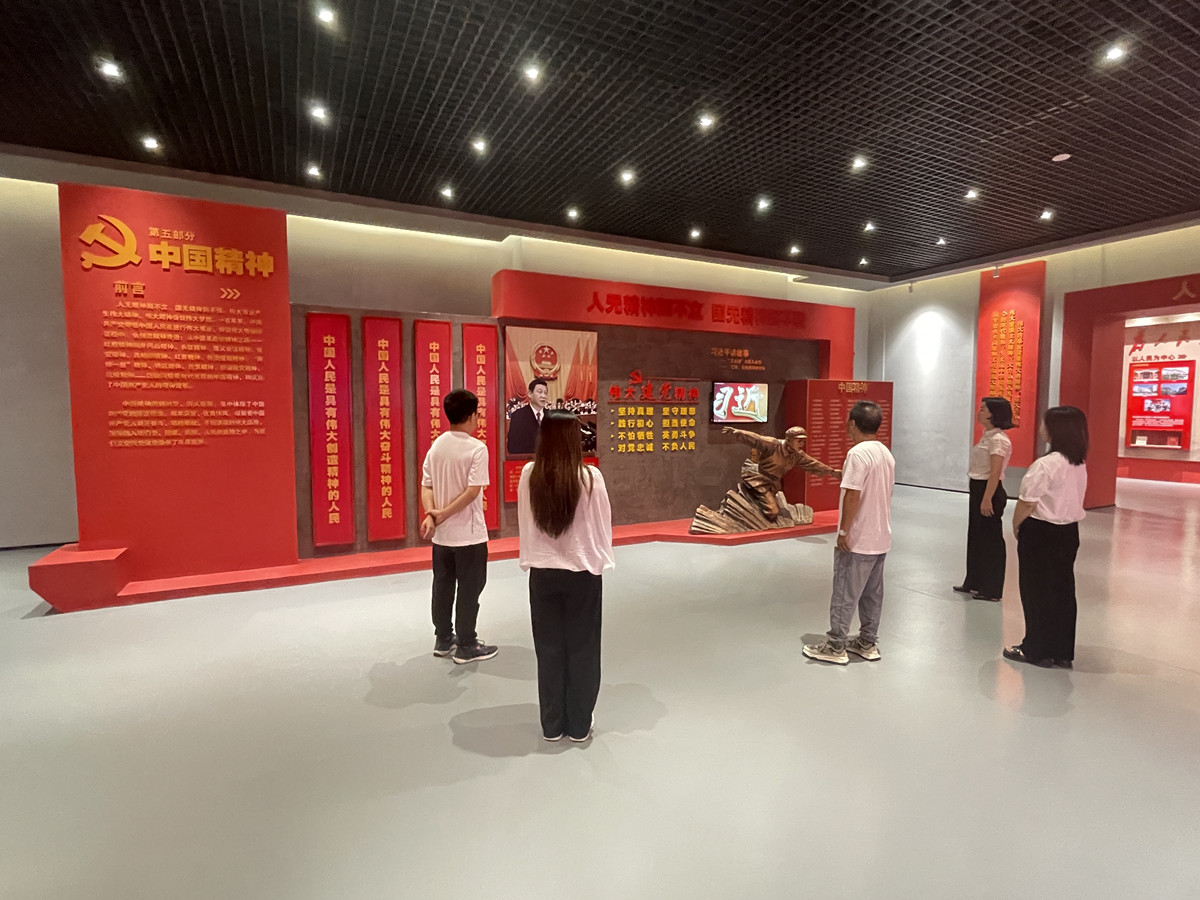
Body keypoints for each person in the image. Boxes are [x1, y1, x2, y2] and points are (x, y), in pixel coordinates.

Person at [517, 410, 614, 743]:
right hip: (582, 574)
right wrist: (600, 562)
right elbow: (602, 527)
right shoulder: (590, 477)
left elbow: (525, 522)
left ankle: (552, 724)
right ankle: (579, 724)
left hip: (542, 575)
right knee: (583, 648)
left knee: (549, 650)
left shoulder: (529, 474)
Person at [803, 400, 895, 665]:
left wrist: (844, 531)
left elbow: (853, 494)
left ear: (852, 423)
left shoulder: (857, 454)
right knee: (872, 594)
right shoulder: (885, 454)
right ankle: (867, 642)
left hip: (859, 537)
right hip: (880, 537)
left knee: (845, 592)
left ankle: (836, 645)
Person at [1003, 406, 1088, 669]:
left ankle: (1036, 649)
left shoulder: (1045, 464)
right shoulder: (1078, 463)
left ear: (1054, 430)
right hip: (1068, 532)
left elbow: (1027, 501)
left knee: (1036, 591)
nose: (1041, 427)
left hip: (1041, 531)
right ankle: (1061, 650)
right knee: (1062, 590)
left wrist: (1017, 525)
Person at [420, 389, 497, 664]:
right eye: (477, 414)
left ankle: (443, 639)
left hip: (442, 538)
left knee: (442, 587)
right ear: (471, 415)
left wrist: (432, 516)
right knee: (469, 589)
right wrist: (440, 514)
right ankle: (466, 644)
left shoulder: (437, 446)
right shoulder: (477, 448)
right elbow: (473, 492)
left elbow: (426, 485)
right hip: (469, 536)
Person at [953, 397, 1015, 602]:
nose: (979, 412)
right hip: (978, 487)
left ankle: (991, 588)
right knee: (976, 536)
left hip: (989, 490)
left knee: (990, 540)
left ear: (992, 415)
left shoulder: (998, 440)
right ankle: (974, 581)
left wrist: (987, 498)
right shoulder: (987, 436)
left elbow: (995, 472)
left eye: (983, 409)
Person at [721, 425, 841, 521]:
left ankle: (755, 499)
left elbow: (813, 464)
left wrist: (832, 472)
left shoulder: (797, 455)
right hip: (759, 479)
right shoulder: (774, 444)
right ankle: (745, 503)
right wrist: (738, 433)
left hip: (773, 483)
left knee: (777, 510)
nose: (802, 445)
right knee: (773, 512)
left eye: (803, 441)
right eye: (799, 441)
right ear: (789, 440)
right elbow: (757, 439)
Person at [506, 378, 550, 455]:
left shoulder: (552, 416)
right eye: (539, 392)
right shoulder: (518, 416)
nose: (543, 396)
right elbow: (512, 446)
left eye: (545, 393)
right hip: (527, 460)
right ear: (530, 394)